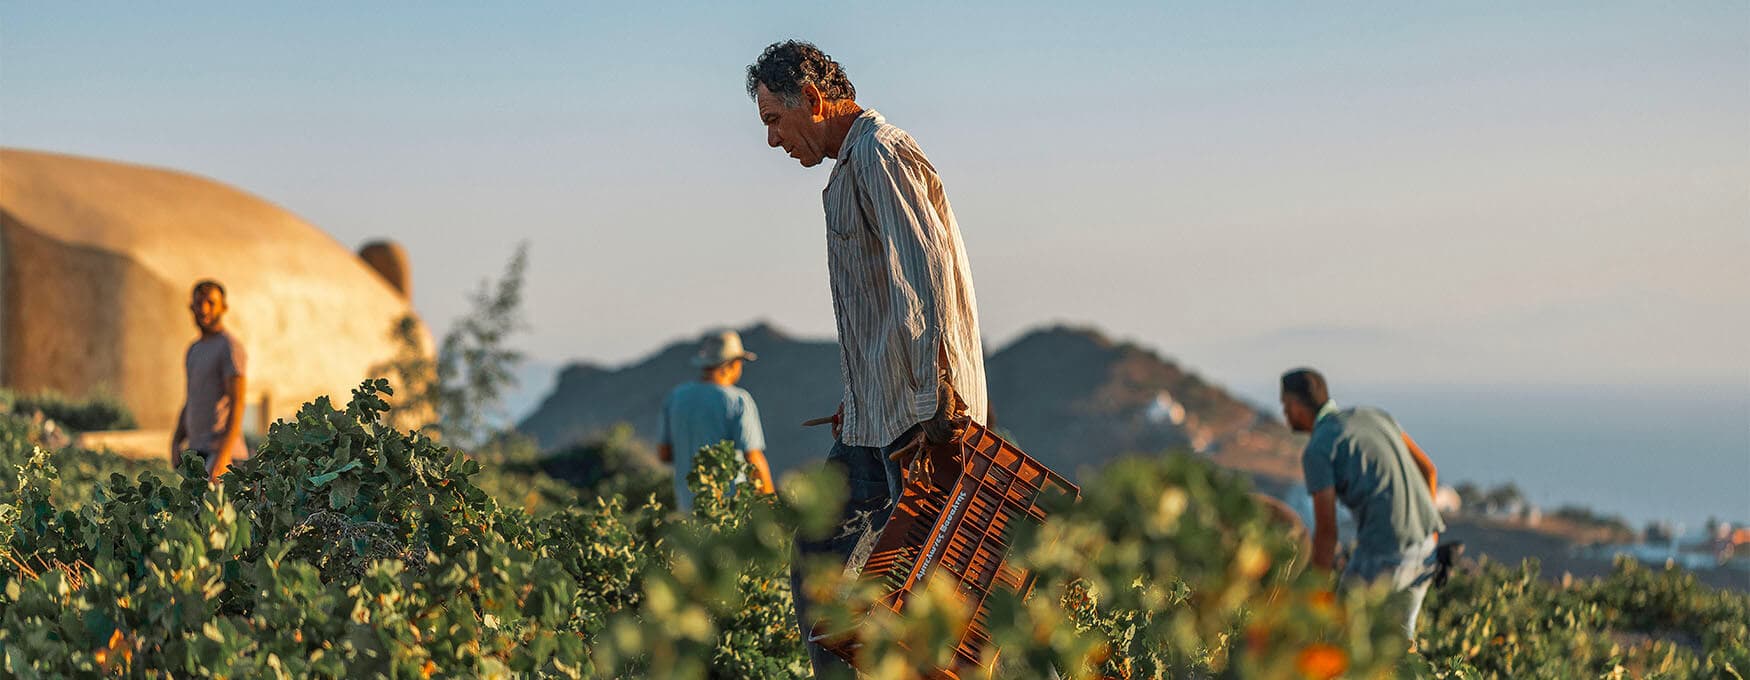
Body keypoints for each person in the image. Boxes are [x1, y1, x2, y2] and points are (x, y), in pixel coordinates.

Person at [747, 40, 989, 675]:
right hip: (875, 415)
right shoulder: (848, 169)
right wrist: (859, 392)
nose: (772, 140)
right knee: (820, 553)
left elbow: (926, 272)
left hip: (917, 415)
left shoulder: (880, 153)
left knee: (917, 587)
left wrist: (936, 395)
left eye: (774, 119)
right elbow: (883, 304)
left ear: (813, 99)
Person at [1280, 368, 1444, 635]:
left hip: (1384, 553)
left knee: (1341, 639)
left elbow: (1327, 533)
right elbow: (1429, 471)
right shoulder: (1376, 416)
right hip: (1425, 548)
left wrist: (1314, 596)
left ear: (1296, 405)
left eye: (1285, 405)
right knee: (1400, 645)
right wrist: (1430, 537)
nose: (1284, 413)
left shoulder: (1319, 449)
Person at [657, 330, 774, 511]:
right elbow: (753, 458)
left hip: (687, 507)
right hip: (730, 510)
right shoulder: (738, 400)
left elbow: (664, 454)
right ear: (731, 364)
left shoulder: (676, 397)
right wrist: (772, 507)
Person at [171, 280, 248, 482]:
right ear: (191, 307)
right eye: (199, 303)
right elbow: (191, 399)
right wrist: (176, 441)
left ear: (223, 307)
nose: (204, 309)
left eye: (210, 303)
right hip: (197, 452)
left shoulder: (229, 347)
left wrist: (223, 456)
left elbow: (238, 403)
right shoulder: (193, 349)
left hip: (223, 456)